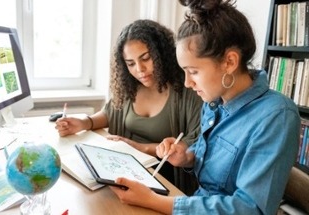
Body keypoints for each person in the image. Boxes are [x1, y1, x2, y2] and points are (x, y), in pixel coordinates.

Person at [109, 0, 301, 214]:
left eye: (193, 71)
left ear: (229, 61)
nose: (187, 83)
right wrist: (187, 157)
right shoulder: (213, 104)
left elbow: (249, 208)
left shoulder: (276, 116)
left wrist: (155, 201)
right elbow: (207, 163)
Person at [55, 19, 203, 194]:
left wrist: (139, 148)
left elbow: (195, 146)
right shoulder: (131, 86)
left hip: (166, 182)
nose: (139, 69)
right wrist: (84, 123)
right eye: (131, 63)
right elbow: (110, 112)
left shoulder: (188, 89)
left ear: (161, 53)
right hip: (128, 172)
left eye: (146, 58)